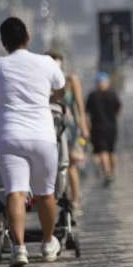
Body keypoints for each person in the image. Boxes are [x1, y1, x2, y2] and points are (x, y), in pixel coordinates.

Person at [0, 16, 66, 267]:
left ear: (3, 42)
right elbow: (60, 88)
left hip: (10, 135)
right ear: (27, 37)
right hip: (42, 135)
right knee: (45, 195)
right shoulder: (46, 62)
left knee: (15, 192)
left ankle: (19, 248)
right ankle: (48, 243)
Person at [46, 52, 90, 214]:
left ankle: (76, 199)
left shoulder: (71, 79)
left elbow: (79, 105)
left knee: (70, 162)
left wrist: (83, 125)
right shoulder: (43, 80)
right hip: (48, 125)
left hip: (69, 126)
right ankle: (56, 196)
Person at [85, 72, 121, 186]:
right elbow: (118, 109)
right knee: (111, 151)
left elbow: (86, 113)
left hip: (98, 127)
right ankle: (112, 172)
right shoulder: (113, 94)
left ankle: (107, 173)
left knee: (102, 151)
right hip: (112, 127)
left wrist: (87, 127)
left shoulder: (92, 95)